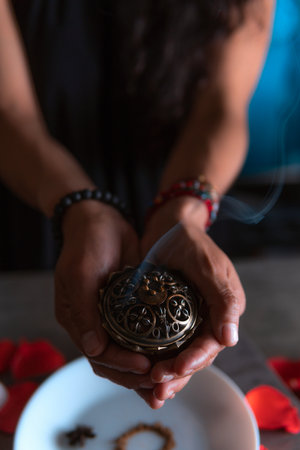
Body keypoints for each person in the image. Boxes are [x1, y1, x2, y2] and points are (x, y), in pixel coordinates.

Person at [0, 0, 274, 408]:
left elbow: (222, 102)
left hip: (182, 172)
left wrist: (183, 211)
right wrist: (78, 207)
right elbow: (9, 112)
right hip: (37, 181)